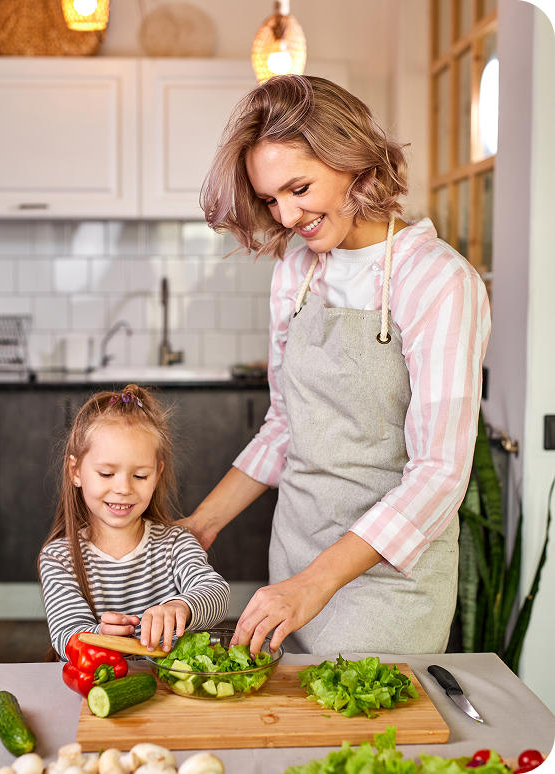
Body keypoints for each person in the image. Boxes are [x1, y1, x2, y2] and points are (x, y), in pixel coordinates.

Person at [184, 75, 491, 657]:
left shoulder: (439, 282)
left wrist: (314, 585)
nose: (288, 214)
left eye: (299, 187)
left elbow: (439, 476)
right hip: (293, 562)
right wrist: (201, 524)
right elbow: (285, 425)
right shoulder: (296, 271)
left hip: (387, 586)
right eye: (272, 198)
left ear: (355, 161)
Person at [39, 384, 230, 659]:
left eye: (139, 476)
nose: (123, 488)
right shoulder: (59, 558)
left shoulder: (176, 543)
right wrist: (100, 637)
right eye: (106, 473)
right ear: (76, 471)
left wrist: (182, 606)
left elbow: (216, 592)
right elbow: (66, 635)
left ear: (157, 474)